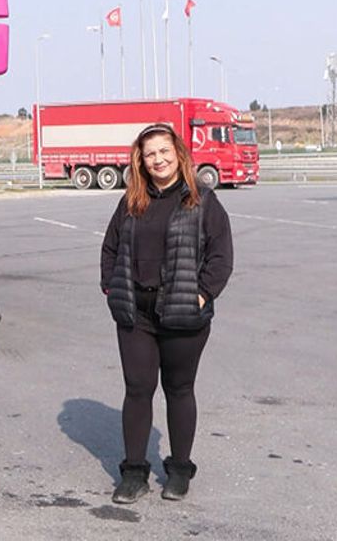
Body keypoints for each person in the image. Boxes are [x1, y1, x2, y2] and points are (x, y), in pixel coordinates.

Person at [99, 123, 233, 503]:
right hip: (136, 314)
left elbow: (221, 257)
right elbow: (110, 248)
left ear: (178, 154)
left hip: (183, 312)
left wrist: (201, 295)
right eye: (150, 154)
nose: (158, 160)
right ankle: (134, 473)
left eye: (163, 151)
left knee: (179, 389)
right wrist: (111, 286)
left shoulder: (202, 200)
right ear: (140, 160)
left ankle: (179, 470)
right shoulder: (131, 201)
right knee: (137, 390)